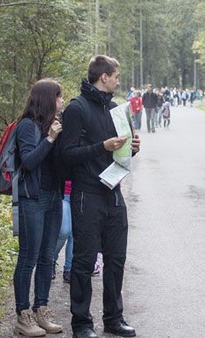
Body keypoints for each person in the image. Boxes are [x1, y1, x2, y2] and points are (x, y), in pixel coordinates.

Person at [60, 55, 141, 338]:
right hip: (87, 193)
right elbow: (65, 156)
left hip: (114, 193)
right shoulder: (76, 109)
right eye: (116, 76)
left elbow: (119, 152)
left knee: (116, 259)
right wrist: (101, 146)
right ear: (103, 77)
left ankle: (113, 319)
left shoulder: (116, 109)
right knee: (83, 262)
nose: (119, 81)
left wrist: (132, 147)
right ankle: (81, 323)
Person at [13, 78, 64, 337]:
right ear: (47, 99)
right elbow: (30, 162)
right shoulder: (27, 126)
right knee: (28, 258)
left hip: (54, 198)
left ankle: (41, 310)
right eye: (58, 96)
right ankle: (23, 316)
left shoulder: (53, 125)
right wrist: (51, 139)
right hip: (32, 199)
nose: (62, 101)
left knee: (47, 257)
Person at [53, 181, 74, 284]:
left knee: (74, 234)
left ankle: (69, 268)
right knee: (64, 230)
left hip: (82, 192)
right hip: (63, 193)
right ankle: (51, 258)